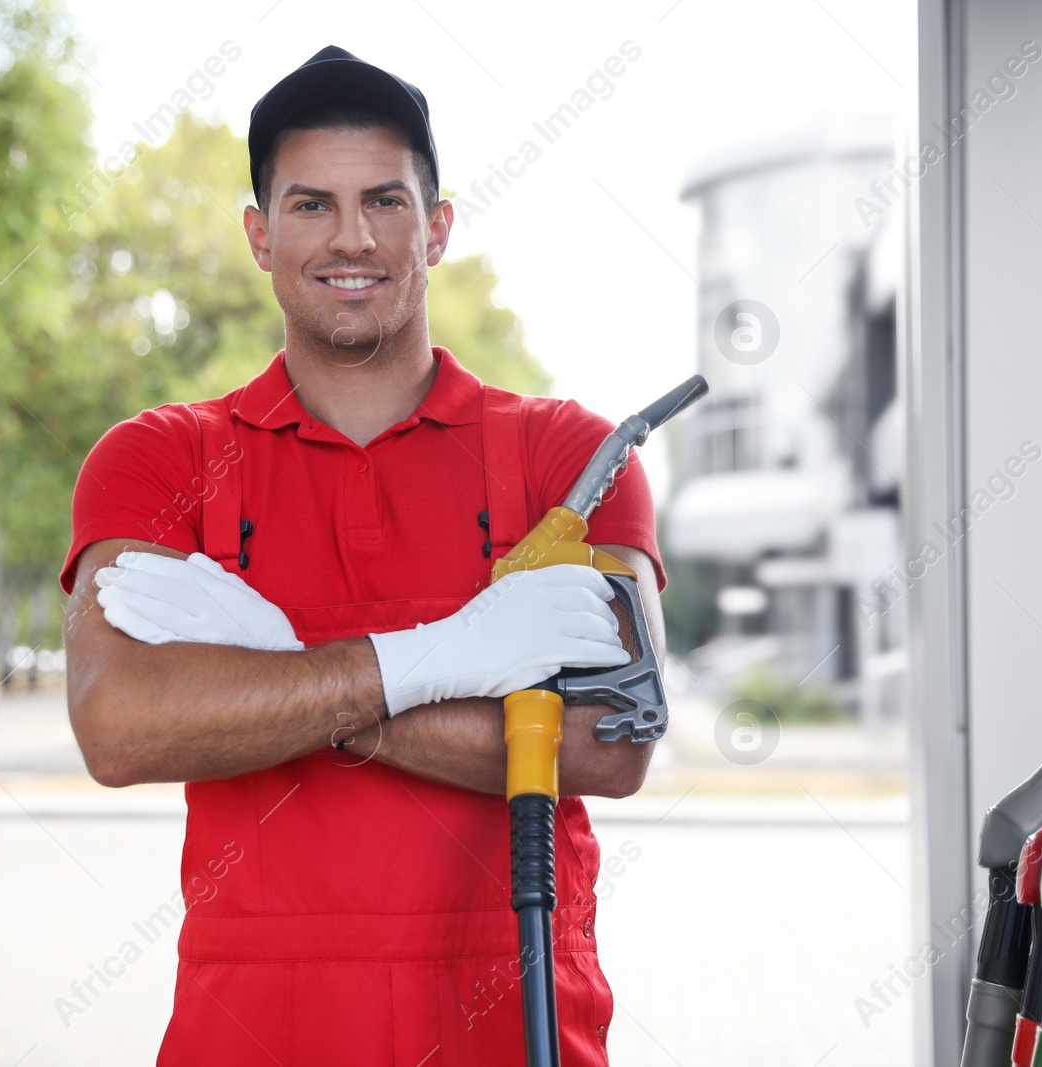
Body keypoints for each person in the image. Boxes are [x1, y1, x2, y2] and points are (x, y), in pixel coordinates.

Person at [58, 45, 668, 1066]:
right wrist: (447, 661)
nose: (351, 238)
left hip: (514, 1020)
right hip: (250, 1028)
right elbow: (119, 727)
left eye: (384, 200)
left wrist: (279, 672)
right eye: (310, 205)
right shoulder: (159, 460)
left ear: (436, 226)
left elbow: (611, 744)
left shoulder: (567, 461)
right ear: (260, 235)